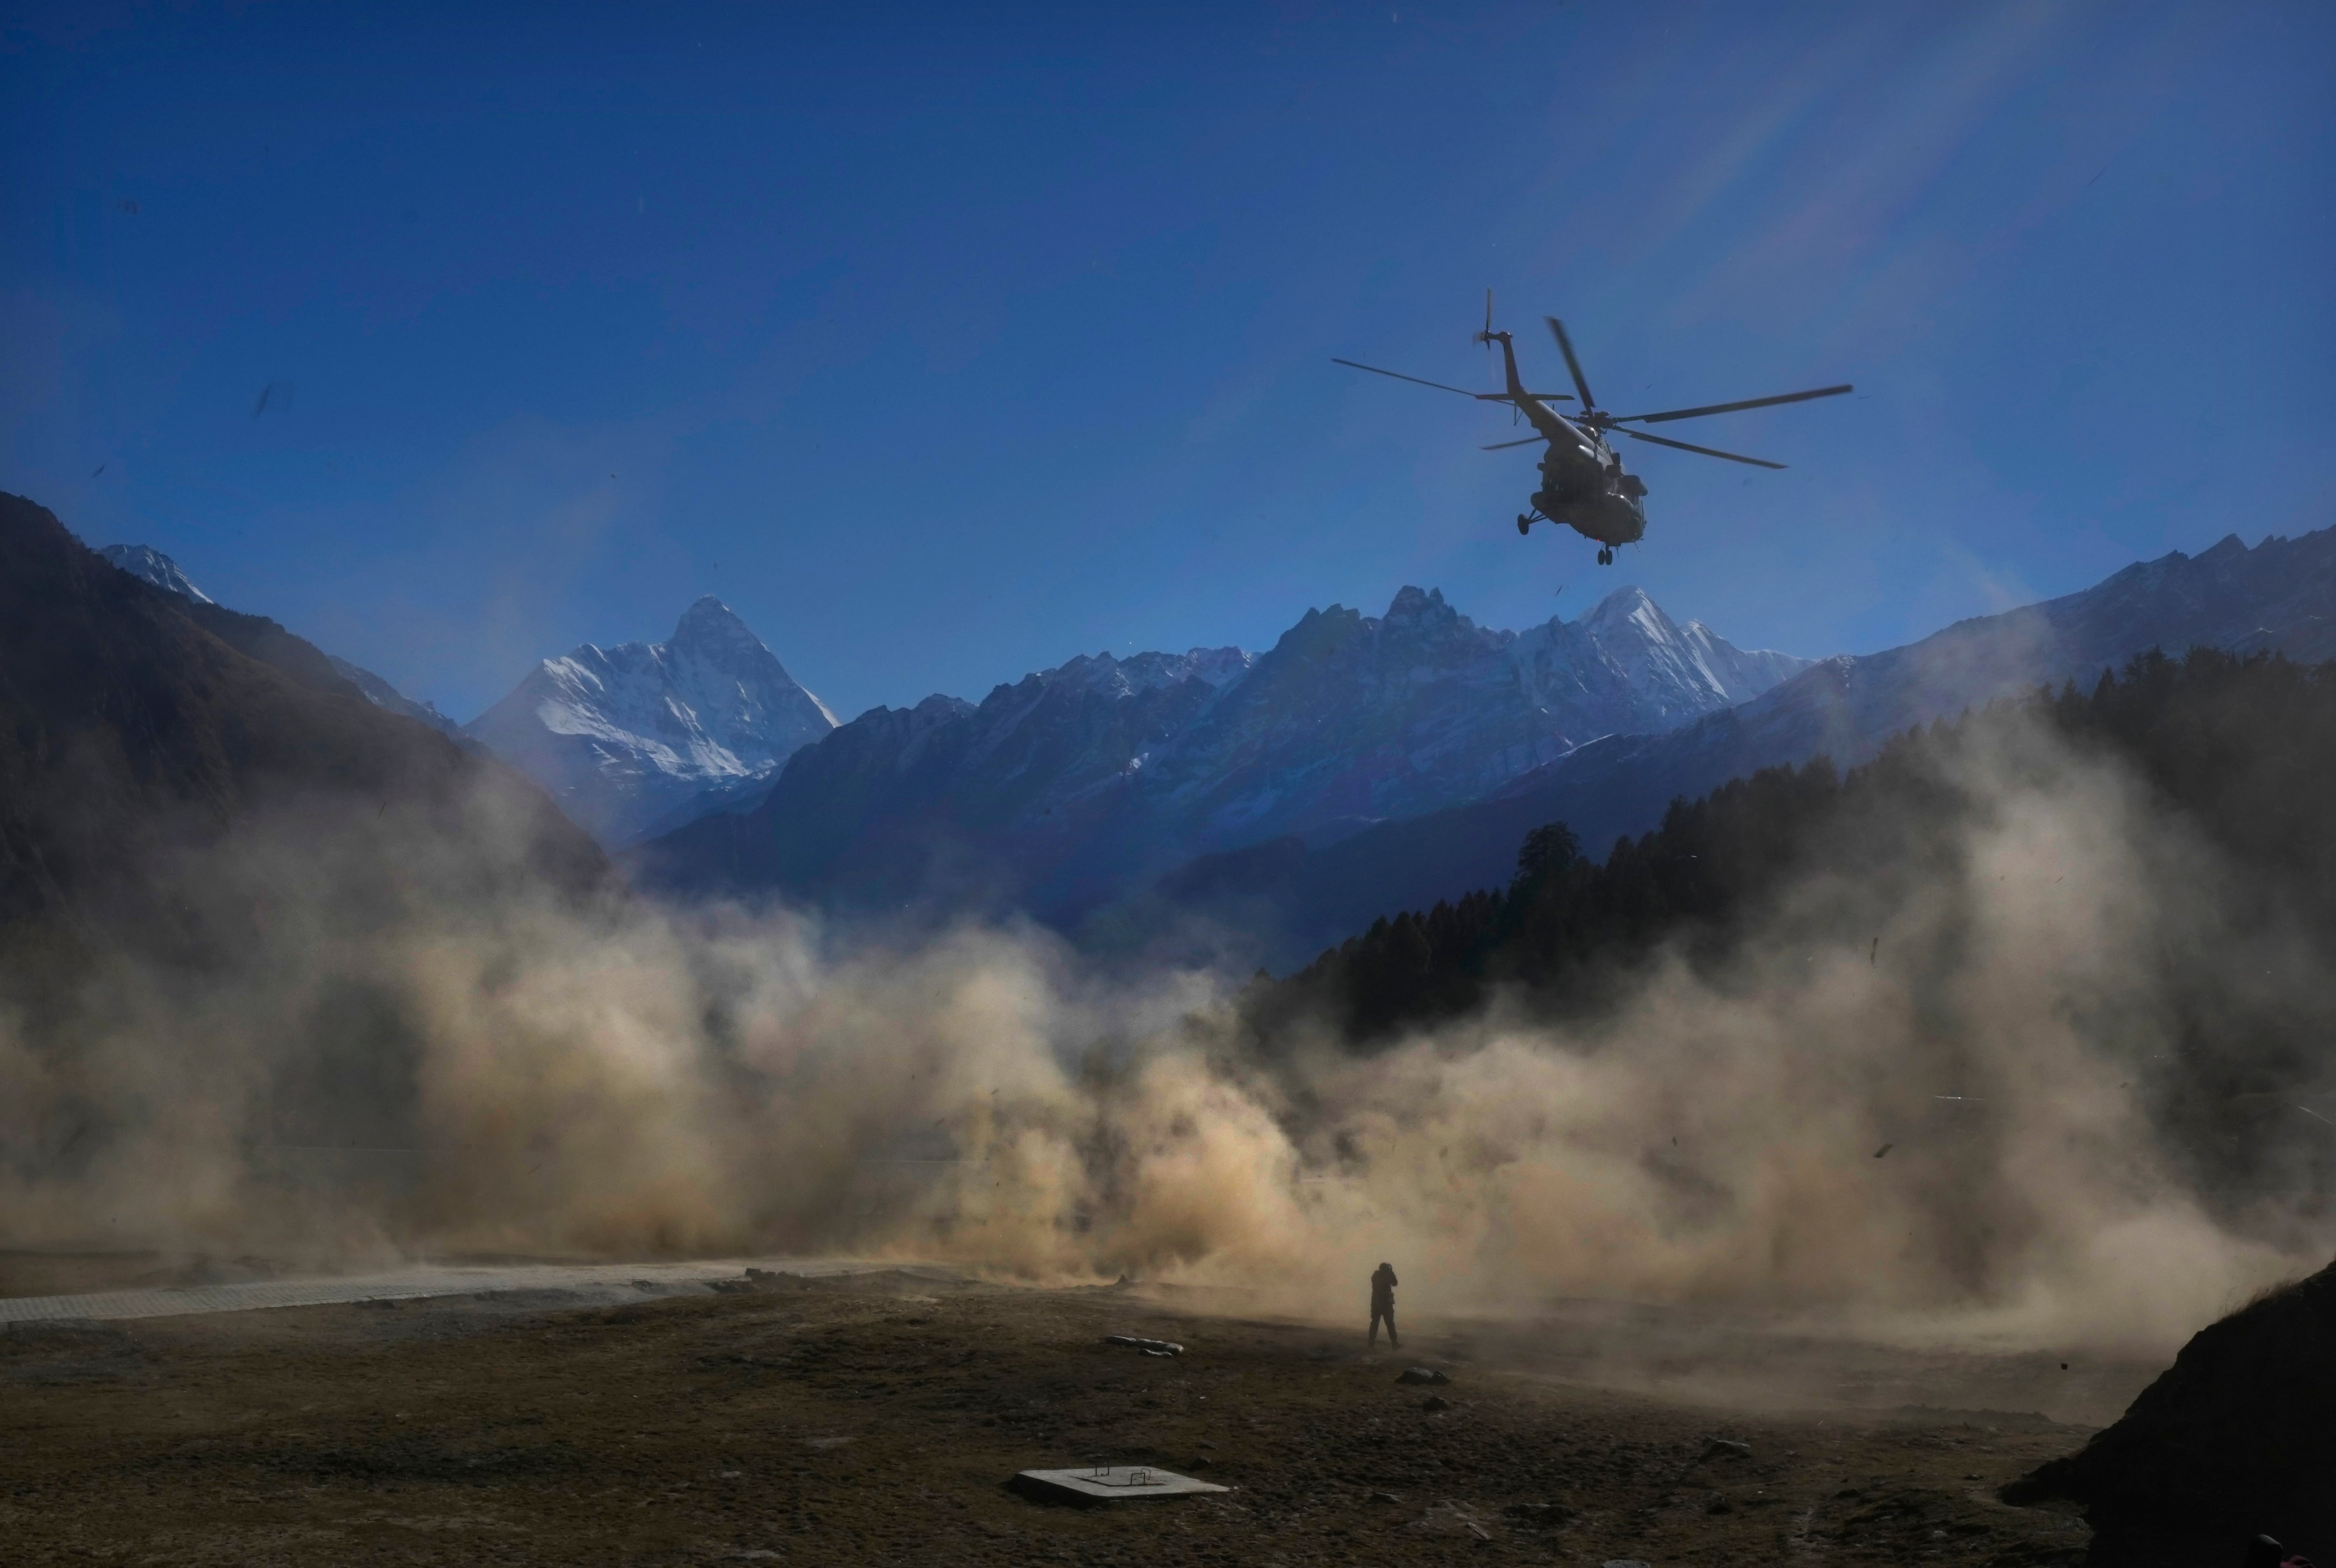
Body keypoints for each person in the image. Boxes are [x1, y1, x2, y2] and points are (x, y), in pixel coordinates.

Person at [1368, 1262, 1399, 1348]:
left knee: (1377, 1323)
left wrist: (1391, 1273)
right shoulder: (1380, 1277)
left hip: (1378, 1304)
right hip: (1382, 1304)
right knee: (1387, 1323)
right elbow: (1393, 1283)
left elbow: (1395, 1283)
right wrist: (1391, 1273)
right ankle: (1394, 1343)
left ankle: (1372, 1344)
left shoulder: (1377, 1276)